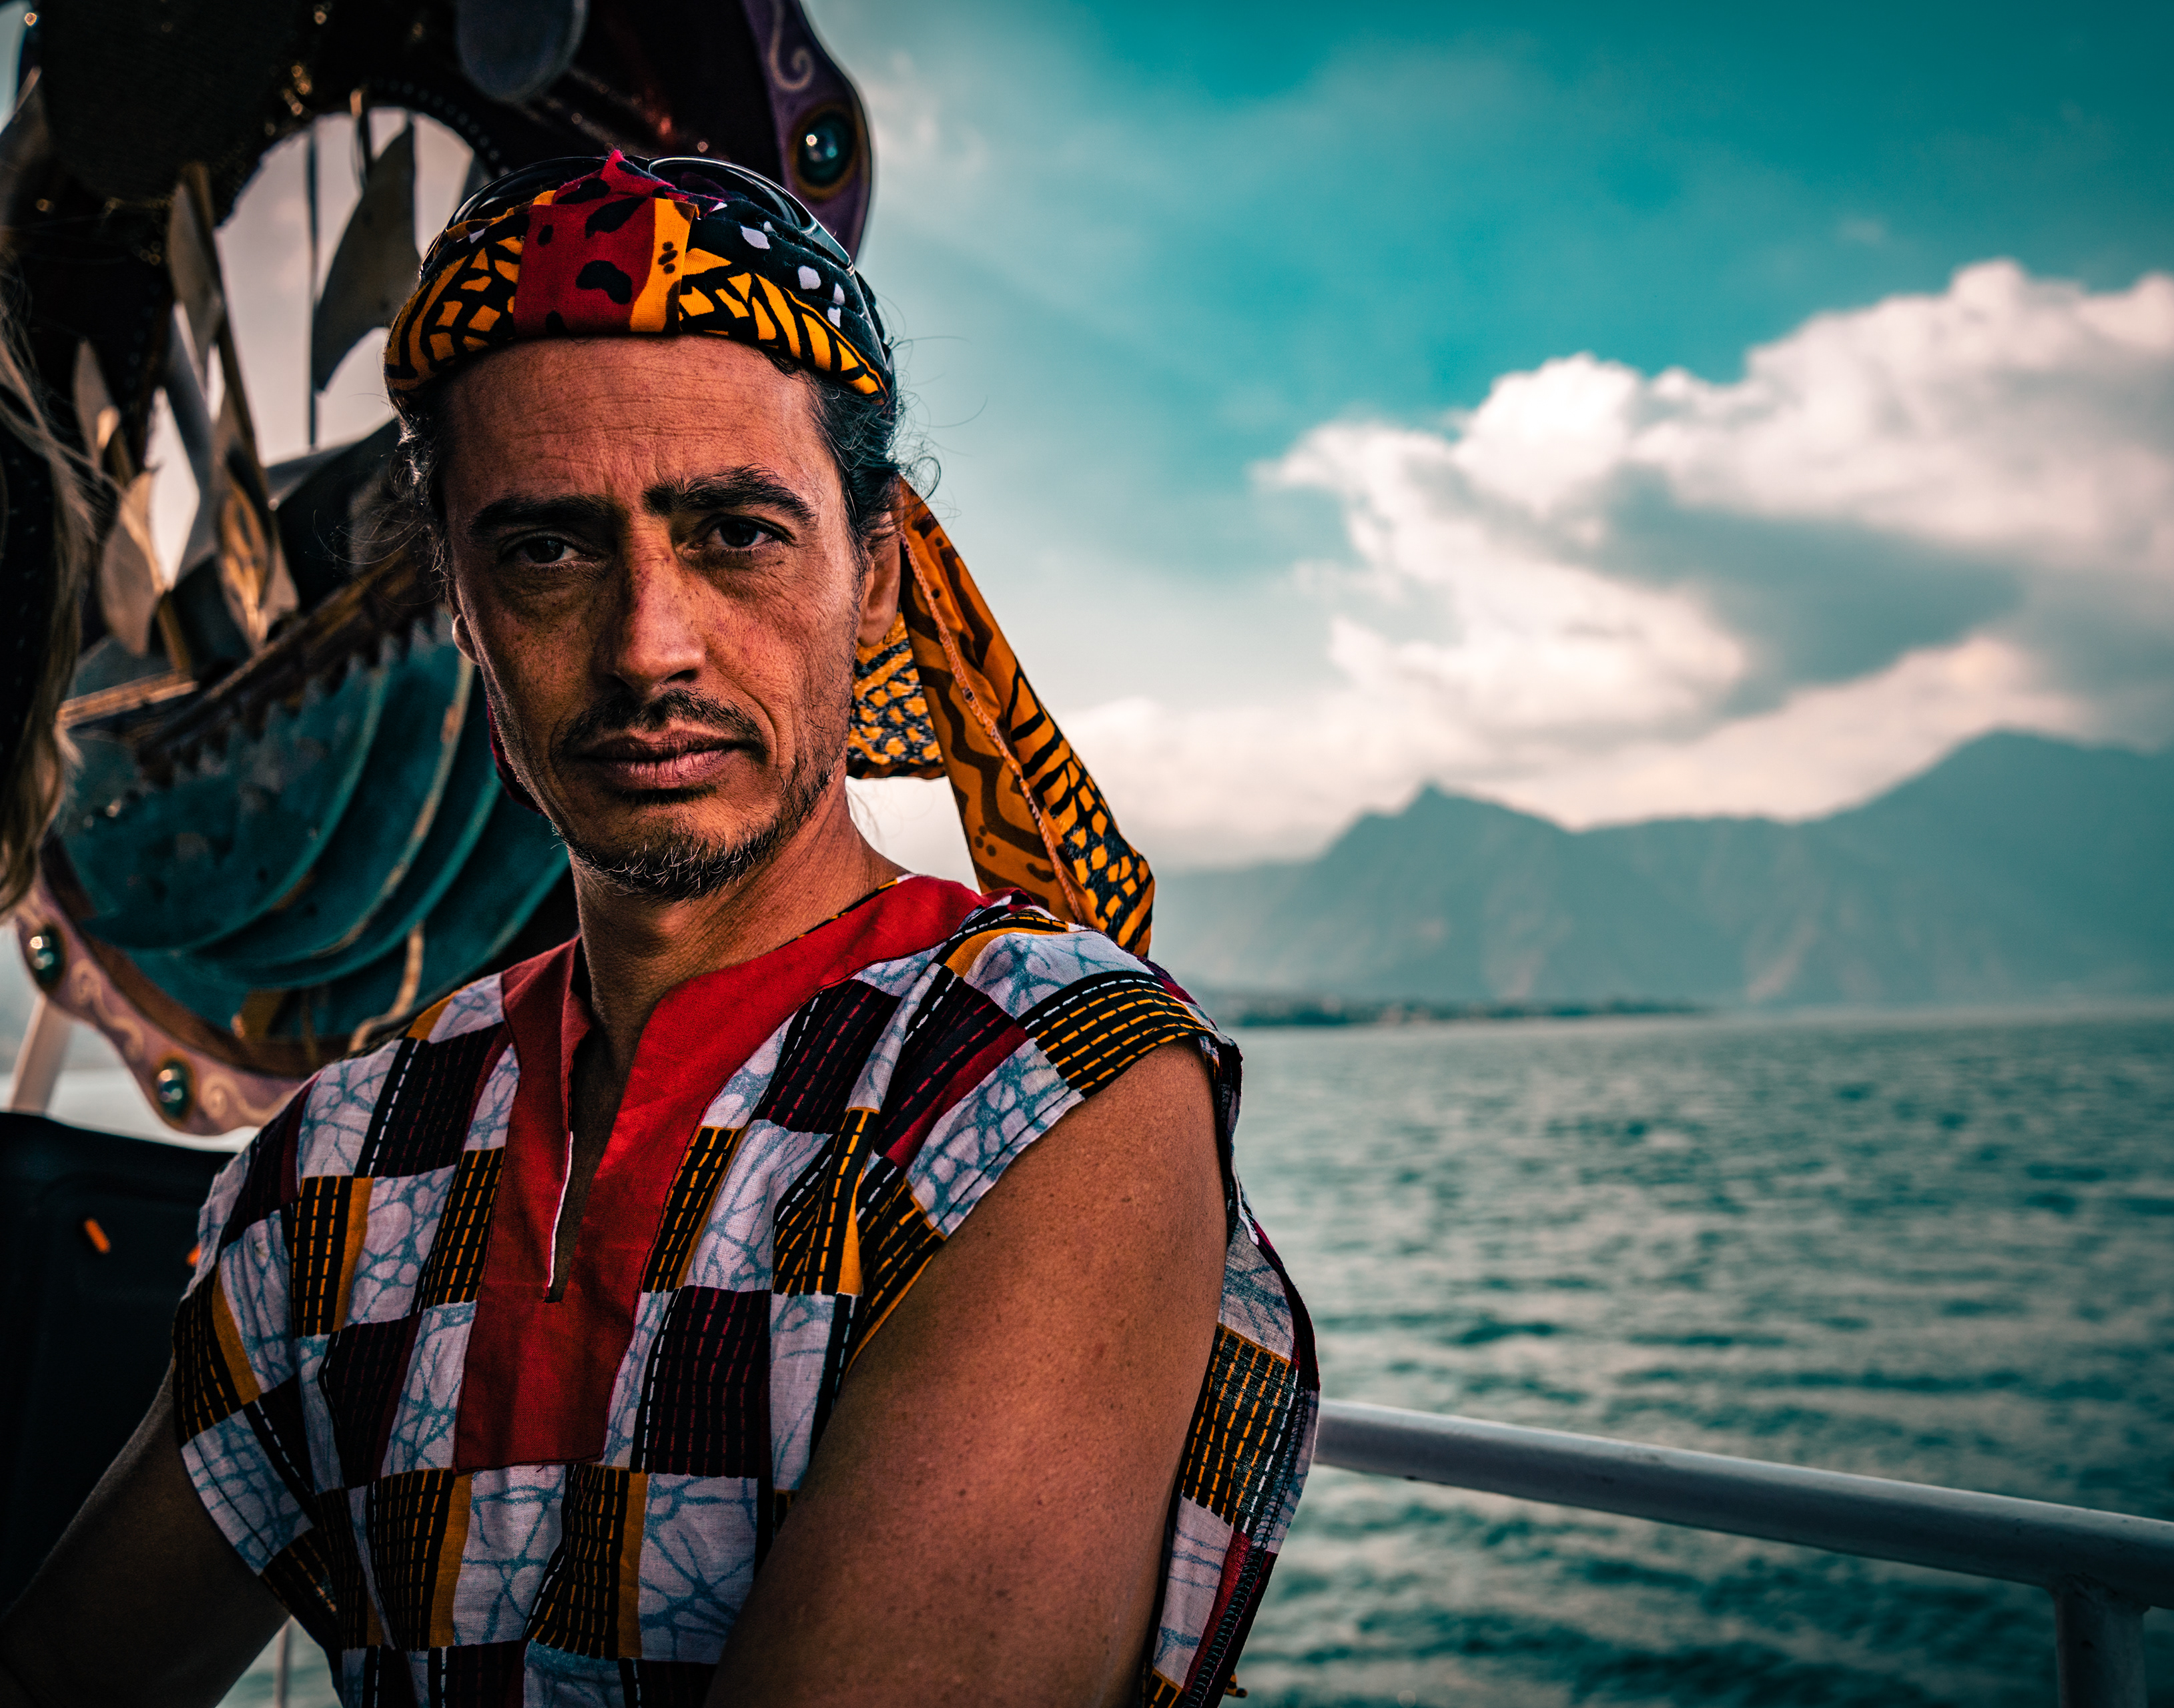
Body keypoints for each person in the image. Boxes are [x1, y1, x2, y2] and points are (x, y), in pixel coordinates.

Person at [0, 153, 1314, 1708]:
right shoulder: (352, 1144)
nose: (648, 647)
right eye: (546, 549)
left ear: (877, 576)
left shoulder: (1041, 1081)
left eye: (737, 533)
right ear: (458, 602)